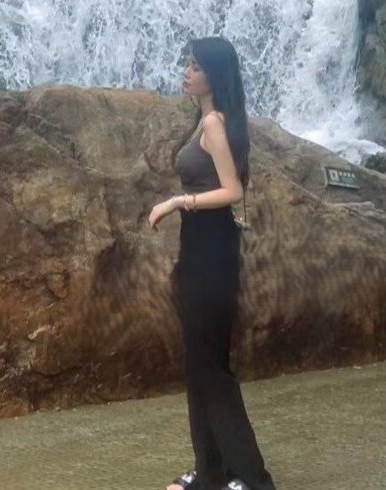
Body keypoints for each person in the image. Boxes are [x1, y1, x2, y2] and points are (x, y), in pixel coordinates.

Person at [148, 36, 278, 490]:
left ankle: (253, 480)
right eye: (186, 63)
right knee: (199, 366)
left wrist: (176, 202)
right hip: (204, 248)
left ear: (214, 76)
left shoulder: (214, 123)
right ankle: (210, 474)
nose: (186, 71)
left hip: (210, 253)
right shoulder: (208, 119)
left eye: (195, 66)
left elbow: (233, 190)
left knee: (211, 371)